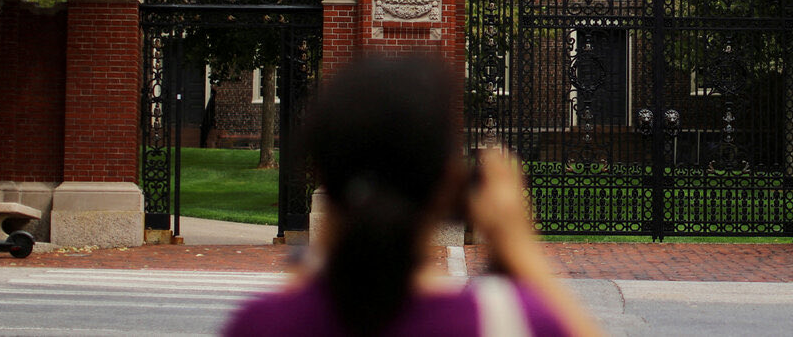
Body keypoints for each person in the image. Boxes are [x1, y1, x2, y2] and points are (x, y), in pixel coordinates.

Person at [223, 54, 602, 337]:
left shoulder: (264, 324)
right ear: (450, 183)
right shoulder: (507, 322)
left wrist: (316, 263)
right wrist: (519, 246)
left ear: (321, 170)